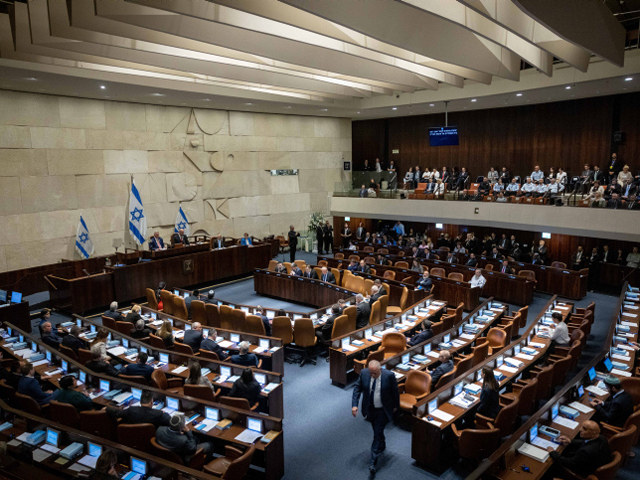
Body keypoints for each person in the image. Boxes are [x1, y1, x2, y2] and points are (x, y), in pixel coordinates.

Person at [351, 360, 399, 473]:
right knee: (377, 430)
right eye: (371, 373)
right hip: (370, 408)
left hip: (382, 410)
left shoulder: (389, 376)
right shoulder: (364, 373)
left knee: (377, 434)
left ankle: (373, 462)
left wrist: (396, 406)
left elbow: (395, 391)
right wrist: (354, 405)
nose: (372, 375)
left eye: (375, 373)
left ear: (380, 370)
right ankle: (382, 443)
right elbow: (357, 389)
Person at [546, 421, 611, 479]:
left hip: (581, 473)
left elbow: (569, 463)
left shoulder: (586, 451)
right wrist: (570, 441)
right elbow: (585, 442)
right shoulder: (602, 438)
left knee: (550, 466)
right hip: (594, 464)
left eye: (584, 429)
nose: (580, 429)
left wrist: (553, 452)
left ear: (593, 433)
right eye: (581, 427)